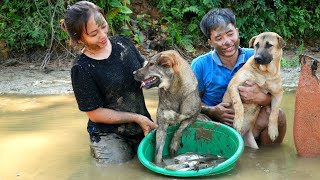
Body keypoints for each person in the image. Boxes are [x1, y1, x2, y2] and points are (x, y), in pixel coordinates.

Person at [61, 1, 157, 164]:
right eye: (94, 34)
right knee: (114, 171)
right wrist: (137, 118)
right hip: (109, 135)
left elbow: (143, 66)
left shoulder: (122, 43)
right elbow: (95, 114)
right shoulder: (82, 68)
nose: (103, 35)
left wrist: (150, 76)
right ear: (79, 40)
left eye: (103, 26)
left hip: (141, 125)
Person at [191, 8, 286, 145]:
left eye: (230, 34)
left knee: (279, 116)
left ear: (237, 32)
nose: (227, 41)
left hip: (250, 122)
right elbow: (189, 103)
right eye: (219, 38)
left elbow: (275, 91)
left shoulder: (255, 57)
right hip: (216, 124)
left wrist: (261, 98)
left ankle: (269, 158)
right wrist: (212, 111)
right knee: (197, 121)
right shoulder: (200, 65)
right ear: (210, 42)